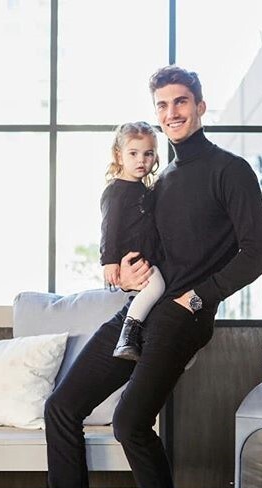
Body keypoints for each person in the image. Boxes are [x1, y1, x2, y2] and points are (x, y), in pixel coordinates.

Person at [0, 65, 262, 488]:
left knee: (129, 422)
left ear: (200, 106)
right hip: (142, 309)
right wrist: (126, 269)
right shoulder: (158, 181)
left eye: (181, 101)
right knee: (62, 407)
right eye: (163, 105)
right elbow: (144, 250)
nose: (172, 113)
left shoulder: (229, 171)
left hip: (184, 315)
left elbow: (257, 254)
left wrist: (198, 296)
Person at [100, 121, 165, 361]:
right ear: (119, 155)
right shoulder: (116, 191)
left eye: (148, 154)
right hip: (133, 256)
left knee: (160, 290)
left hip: (148, 253)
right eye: (133, 153)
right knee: (156, 287)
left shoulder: (144, 190)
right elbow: (109, 227)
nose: (141, 160)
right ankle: (127, 337)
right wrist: (109, 261)